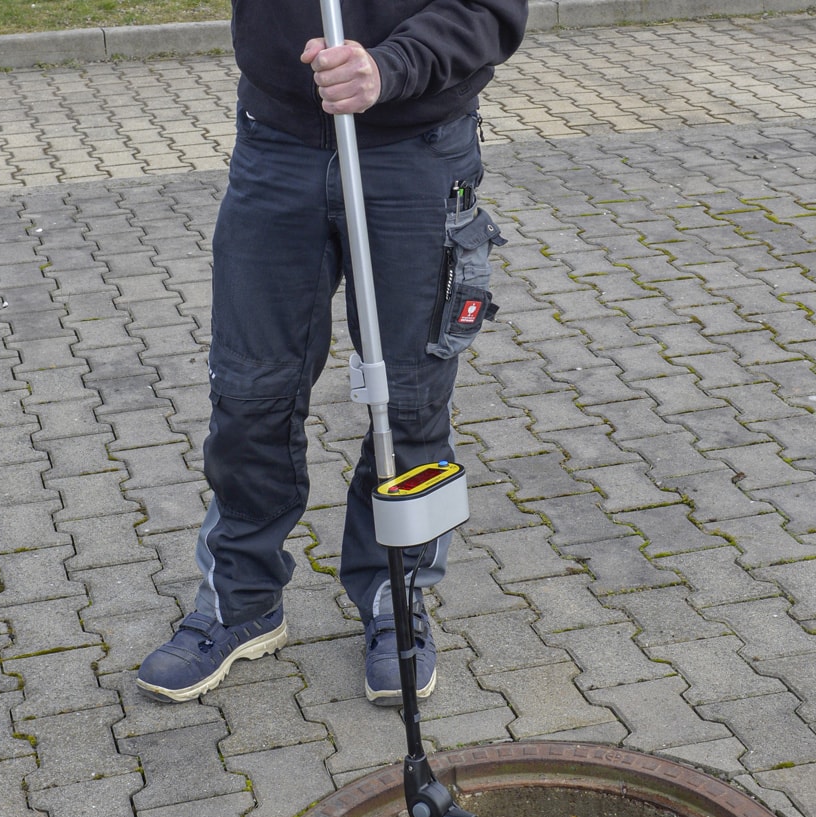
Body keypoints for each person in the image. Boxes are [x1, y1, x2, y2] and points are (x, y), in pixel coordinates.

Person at [136, 0, 528, 705]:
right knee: (249, 393)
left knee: (408, 403)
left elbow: (489, 10)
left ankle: (396, 598)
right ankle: (241, 601)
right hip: (276, 142)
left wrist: (389, 67)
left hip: (416, 150)